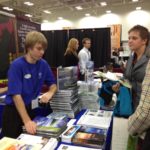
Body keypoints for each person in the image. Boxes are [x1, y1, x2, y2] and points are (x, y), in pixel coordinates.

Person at [1, 31, 57, 138]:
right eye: (39, 48)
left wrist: (50, 92)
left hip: (30, 108)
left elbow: (53, 84)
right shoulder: (16, 65)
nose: (42, 52)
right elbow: (16, 96)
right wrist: (26, 121)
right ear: (29, 48)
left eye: (44, 49)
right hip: (14, 112)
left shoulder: (43, 64)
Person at [113, 25, 149, 111]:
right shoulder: (132, 57)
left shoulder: (148, 59)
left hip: (145, 109)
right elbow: (127, 77)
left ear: (144, 40)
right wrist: (120, 84)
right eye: (129, 38)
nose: (130, 41)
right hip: (130, 105)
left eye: (134, 38)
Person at [128, 59, 150, 150]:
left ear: (144, 43)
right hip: (132, 107)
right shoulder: (131, 58)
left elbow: (146, 112)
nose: (129, 43)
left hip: (142, 125)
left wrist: (130, 125)